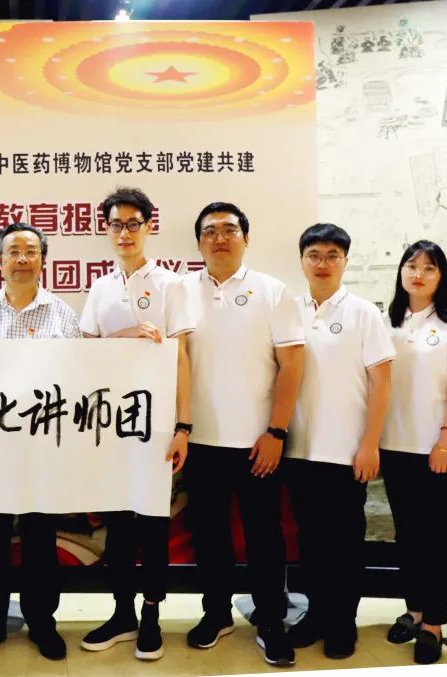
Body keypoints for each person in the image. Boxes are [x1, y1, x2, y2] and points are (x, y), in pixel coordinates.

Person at [179, 202, 303, 667]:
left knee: (264, 537)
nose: (220, 238)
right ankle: (216, 614)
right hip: (200, 441)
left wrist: (276, 431)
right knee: (208, 535)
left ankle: (270, 621)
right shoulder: (180, 291)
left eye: (229, 229)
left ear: (245, 238)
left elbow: (292, 366)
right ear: (198, 243)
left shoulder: (272, 291)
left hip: (258, 443)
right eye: (209, 231)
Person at [78, 187, 194, 661]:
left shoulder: (170, 285)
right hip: (110, 424)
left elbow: (182, 357)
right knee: (119, 524)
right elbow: (85, 350)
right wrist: (125, 335)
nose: (123, 233)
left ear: (148, 226)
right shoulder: (100, 287)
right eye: (115, 224)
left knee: (152, 522)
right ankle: (122, 612)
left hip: (157, 425)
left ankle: (151, 615)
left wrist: (183, 426)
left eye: (132, 224)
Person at [0, 222, 81, 662]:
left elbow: (74, 378)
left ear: (43, 260)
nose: (23, 258)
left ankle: (43, 624)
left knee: (40, 540)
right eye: (14, 251)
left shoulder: (63, 315)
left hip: (42, 447)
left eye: (31, 250)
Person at [282, 224, 394, 660]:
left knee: (344, 544)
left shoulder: (364, 313)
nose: (323, 263)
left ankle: (342, 621)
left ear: (345, 261)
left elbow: (381, 383)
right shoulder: (289, 310)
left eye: (332, 255)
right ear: (301, 261)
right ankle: (317, 614)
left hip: (347, 452)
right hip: (298, 448)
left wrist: (370, 444)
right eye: (314, 255)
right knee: (309, 541)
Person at [379, 240, 447, 664]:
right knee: (407, 535)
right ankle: (415, 610)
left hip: (440, 448)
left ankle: (434, 624)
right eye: (411, 265)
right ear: (401, 271)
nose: (418, 274)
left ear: (442, 276)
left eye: (429, 267)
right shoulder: (387, 321)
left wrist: (446, 438)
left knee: (436, 538)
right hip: (394, 445)